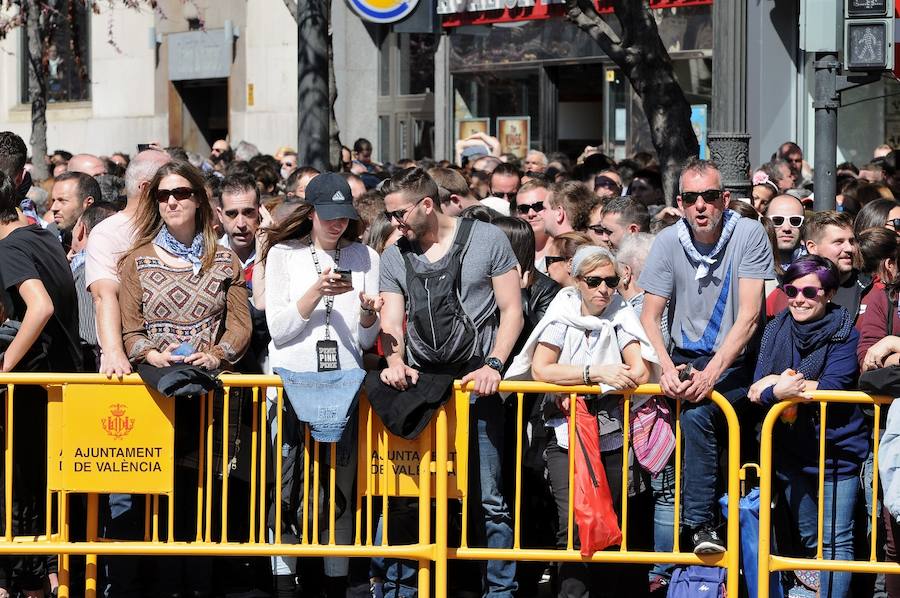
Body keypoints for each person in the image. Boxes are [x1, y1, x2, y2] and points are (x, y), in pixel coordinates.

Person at [379, 167, 523, 597]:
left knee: (489, 499)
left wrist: (494, 365)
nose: (394, 224)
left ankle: (500, 591)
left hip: (478, 383)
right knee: (408, 495)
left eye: (399, 214)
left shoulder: (487, 239)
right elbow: (391, 316)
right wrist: (394, 359)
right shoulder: (394, 253)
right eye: (389, 216)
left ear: (427, 204)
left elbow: (511, 310)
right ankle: (401, 588)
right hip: (421, 387)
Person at [117, 160, 250, 596]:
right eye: (163, 195)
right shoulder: (134, 261)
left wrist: (214, 356)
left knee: (203, 500)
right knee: (153, 501)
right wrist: (150, 354)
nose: (172, 201)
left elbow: (240, 328)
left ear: (198, 199)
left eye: (181, 193)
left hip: (207, 399)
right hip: (153, 397)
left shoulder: (225, 260)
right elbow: (130, 329)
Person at [639, 158, 776, 554]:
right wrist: (665, 368)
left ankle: (701, 527)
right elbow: (650, 316)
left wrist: (711, 374)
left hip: (735, 361)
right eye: (691, 198)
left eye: (710, 197)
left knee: (699, 416)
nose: (701, 205)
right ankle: (662, 566)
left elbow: (750, 315)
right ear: (680, 202)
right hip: (683, 357)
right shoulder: (667, 240)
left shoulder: (748, 233)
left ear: (725, 199)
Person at [505, 245, 658, 597]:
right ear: (577, 282)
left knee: (610, 524)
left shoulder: (621, 316)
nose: (603, 289)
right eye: (594, 281)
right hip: (566, 436)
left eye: (611, 281)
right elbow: (543, 367)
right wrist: (596, 373)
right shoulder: (561, 316)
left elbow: (639, 368)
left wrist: (591, 381)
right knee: (573, 525)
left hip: (614, 437)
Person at [263, 173, 381, 598]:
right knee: (286, 484)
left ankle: (334, 583)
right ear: (310, 213)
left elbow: (364, 339)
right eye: (329, 217)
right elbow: (279, 330)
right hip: (292, 384)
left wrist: (368, 314)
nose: (338, 225)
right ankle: (283, 581)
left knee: (339, 488)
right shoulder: (282, 254)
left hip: (344, 385)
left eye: (344, 217)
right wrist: (316, 291)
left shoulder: (366, 256)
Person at [749, 255, 862, 598]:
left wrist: (780, 387)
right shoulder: (775, 328)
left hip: (836, 451)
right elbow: (756, 390)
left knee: (835, 539)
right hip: (788, 453)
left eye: (810, 291)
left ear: (828, 293)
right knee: (810, 536)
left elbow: (833, 387)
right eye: (792, 289)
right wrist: (773, 386)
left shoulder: (845, 332)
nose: (798, 298)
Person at [0, 169, 82, 597]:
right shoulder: (42, 238)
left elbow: (41, 307)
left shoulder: (10, 248)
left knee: (21, 495)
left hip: (33, 390)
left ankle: (29, 584)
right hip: (56, 389)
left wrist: (5, 367)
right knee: (37, 494)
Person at [85, 148, 171, 378]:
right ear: (146, 188)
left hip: (177, 360)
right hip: (129, 367)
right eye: (168, 189)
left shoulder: (176, 229)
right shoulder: (108, 233)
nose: (176, 198)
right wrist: (114, 352)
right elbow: (104, 296)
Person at [767, 211, 871, 320]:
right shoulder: (782, 294)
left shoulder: (871, 289)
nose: (849, 248)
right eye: (839, 242)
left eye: (851, 241)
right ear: (812, 247)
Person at [49, 171, 100, 247]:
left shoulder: (104, 239)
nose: (53, 208)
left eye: (62, 201)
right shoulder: (51, 234)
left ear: (88, 203)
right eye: (53, 200)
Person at [514, 179, 553, 272]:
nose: (531, 214)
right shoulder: (513, 250)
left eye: (538, 206)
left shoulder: (566, 249)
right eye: (524, 209)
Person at [764, 194, 807, 271]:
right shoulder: (751, 261)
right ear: (765, 222)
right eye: (777, 220)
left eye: (795, 221)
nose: (786, 228)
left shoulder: (816, 265)